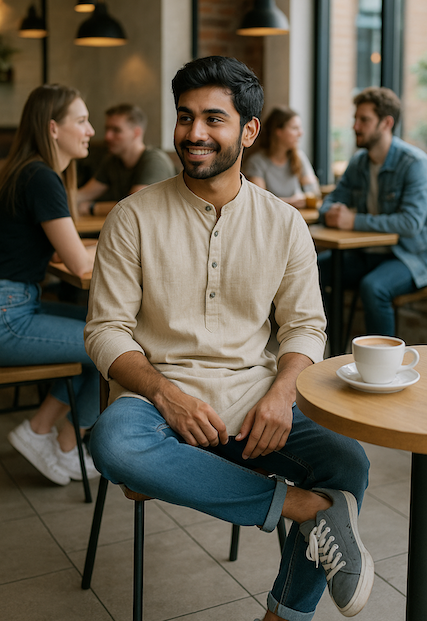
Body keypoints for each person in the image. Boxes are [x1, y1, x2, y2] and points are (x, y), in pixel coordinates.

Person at [85, 56, 373, 621]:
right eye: (186, 117)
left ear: (248, 130)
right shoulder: (132, 217)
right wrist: (168, 395)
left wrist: (283, 391)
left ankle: (284, 615)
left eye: (213, 119)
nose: (194, 134)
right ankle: (303, 507)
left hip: (252, 399)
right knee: (113, 443)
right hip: (155, 402)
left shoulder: (285, 224)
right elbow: (105, 331)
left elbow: (305, 327)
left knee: (349, 462)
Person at [1, 84, 100, 486]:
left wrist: (95, 244)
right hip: (9, 315)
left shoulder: (29, 170)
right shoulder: (41, 177)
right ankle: (53, 437)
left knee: (109, 333)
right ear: (53, 128)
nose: (89, 129)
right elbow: (76, 261)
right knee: (115, 346)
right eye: (82, 120)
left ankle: (54, 439)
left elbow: (63, 253)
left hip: (16, 302)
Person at [318, 86, 427, 336]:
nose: (355, 126)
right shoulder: (359, 162)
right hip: (365, 254)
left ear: (386, 123)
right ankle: (325, 346)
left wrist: (353, 220)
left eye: (364, 120)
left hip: (408, 257)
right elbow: (332, 200)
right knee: (310, 270)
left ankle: (383, 368)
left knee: (374, 287)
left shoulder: (414, 164)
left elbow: (410, 223)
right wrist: (331, 212)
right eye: (356, 119)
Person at [77, 103, 176, 215]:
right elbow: (82, 194)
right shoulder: (112, 160)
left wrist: (92, 208)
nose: (107, 136)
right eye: (107, 129)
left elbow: (135, 206)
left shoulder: (155, 161)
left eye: (116, 130)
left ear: (136, 133)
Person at [243, 105, 319, 208]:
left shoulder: (299, 157)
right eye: (294, 128)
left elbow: (313, 191)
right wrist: (290, 202)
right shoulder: (256, 162)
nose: (301, 133)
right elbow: (260, 201)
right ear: (278, 131)